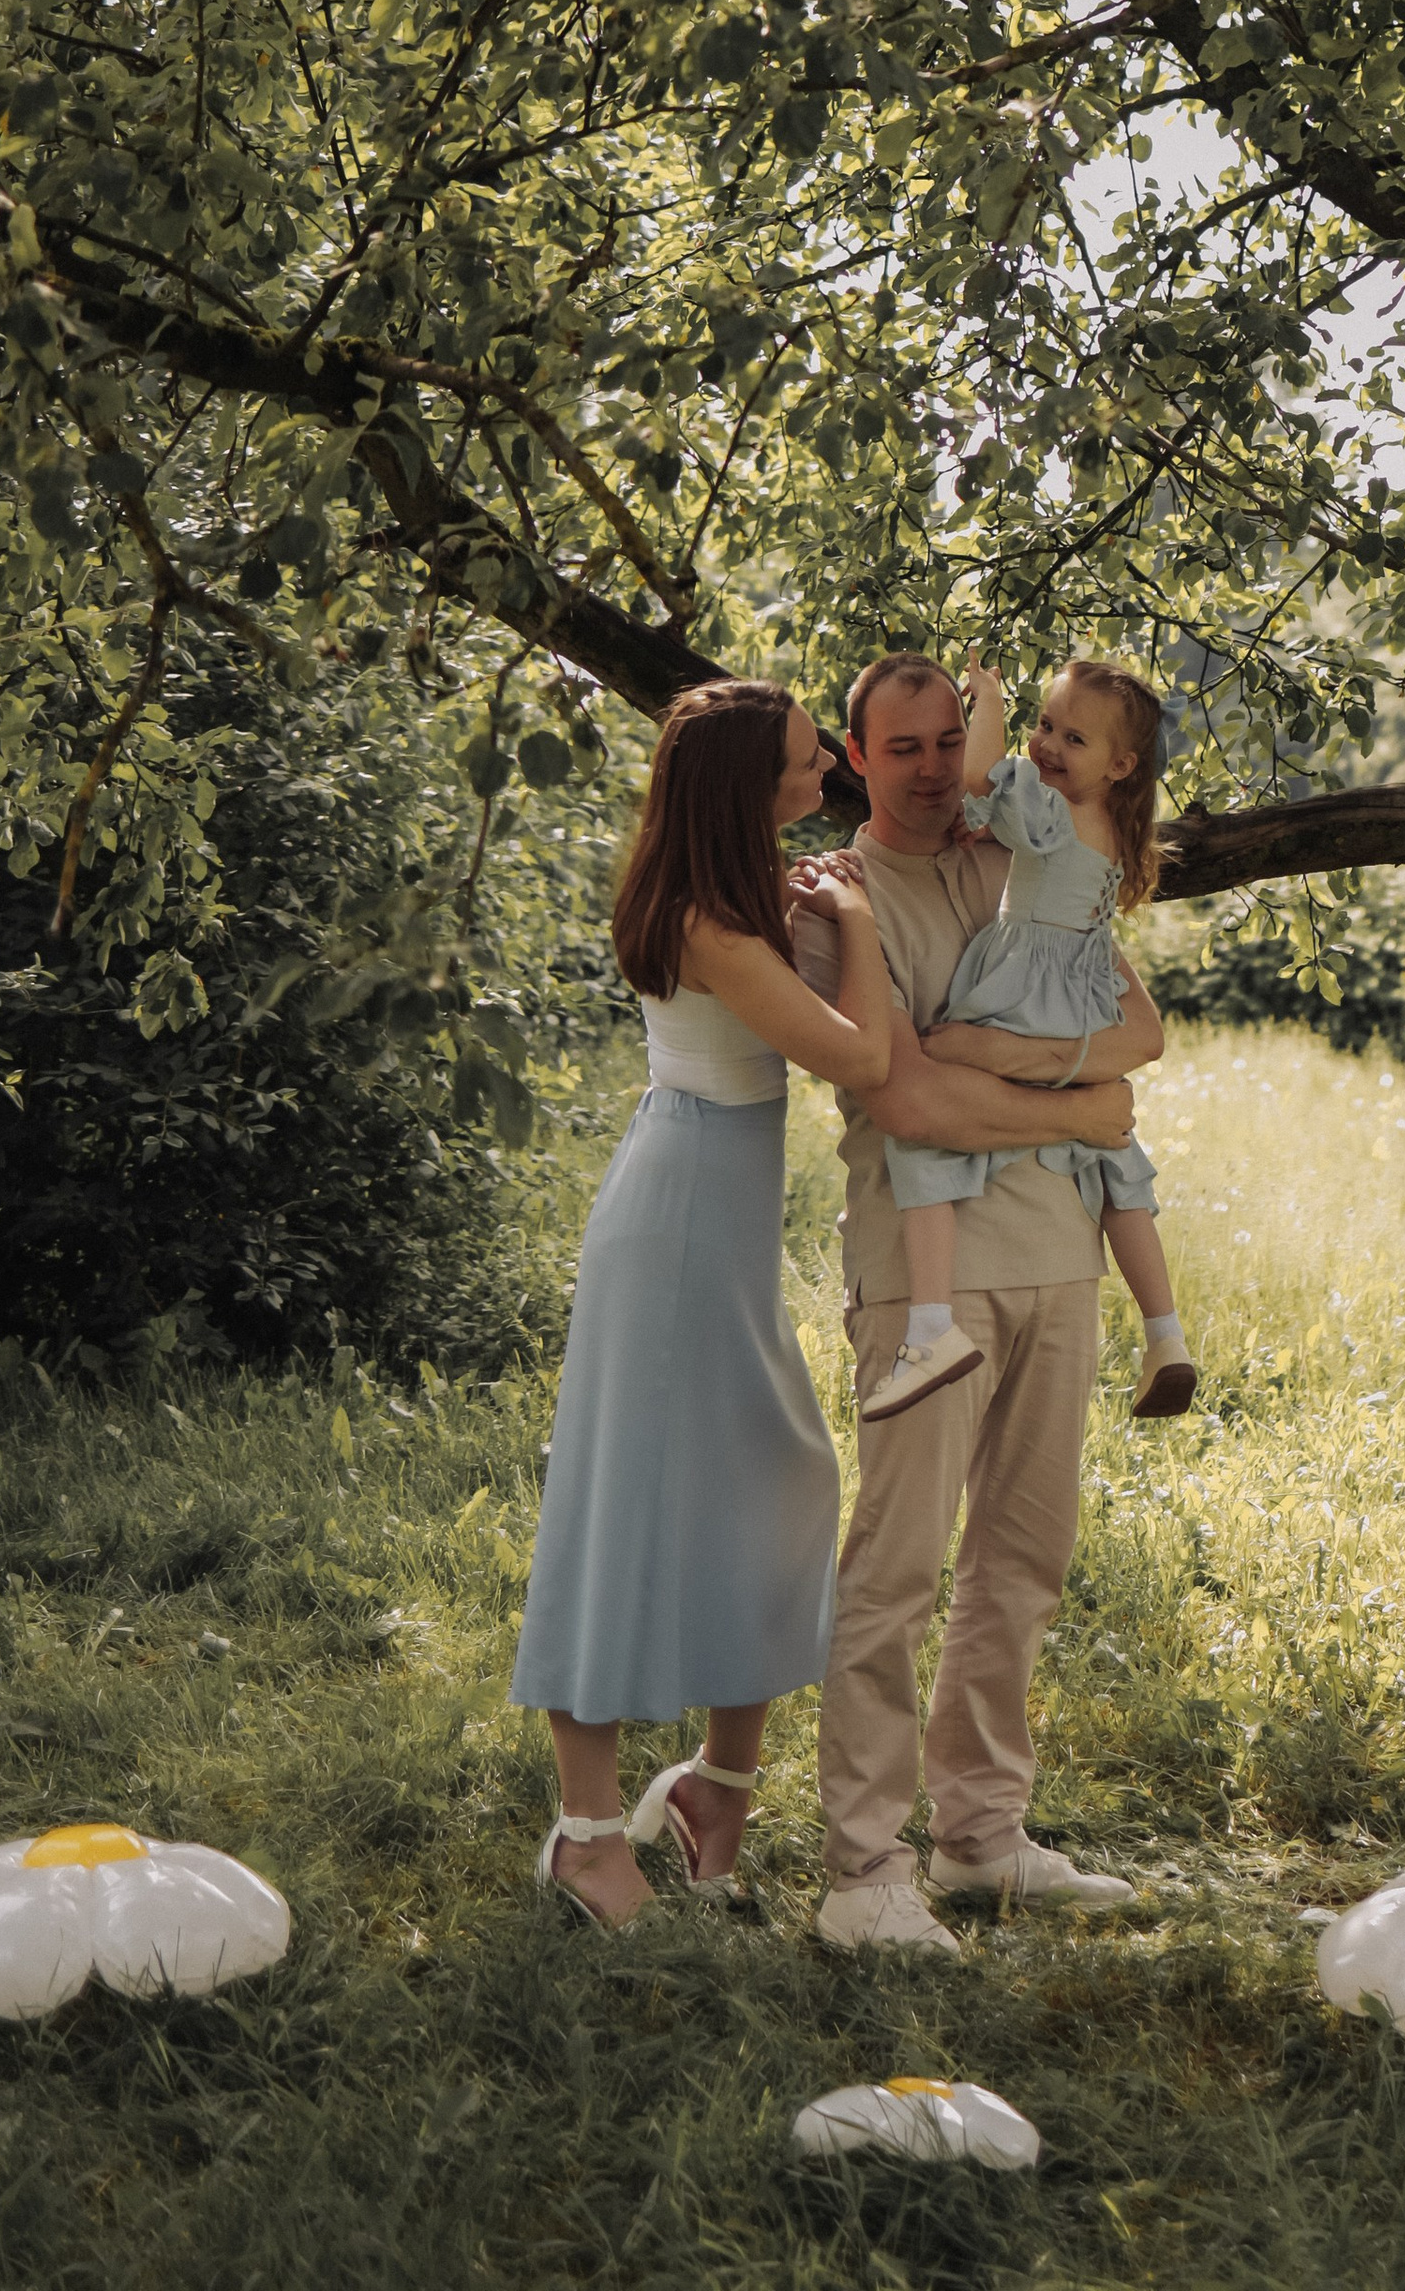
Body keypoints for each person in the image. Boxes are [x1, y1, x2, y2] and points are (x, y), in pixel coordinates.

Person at [791, 649, 1166, 1955]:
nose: (940, 767)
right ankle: (860, 1872)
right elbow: (905, 1099)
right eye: (906, 750)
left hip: (1060, 1257)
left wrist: (1042, 1072)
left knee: (1020, 1564)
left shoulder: (1025, 845)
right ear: (859, 760)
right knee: (895, 1575)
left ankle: (981, 1841)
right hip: (921, 1284)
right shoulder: (838, 899)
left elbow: (1140, 1036)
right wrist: (1073, 1097)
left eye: (953, 738)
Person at [512, 678, 893, 1930]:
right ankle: (584, 1834)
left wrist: (816, 904)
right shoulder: (708, 927)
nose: (824, 768)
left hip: (709, 1221)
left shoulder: (735, 904)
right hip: (673, 1227)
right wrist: (864, 925)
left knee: (777, 1479)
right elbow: (858, 1058)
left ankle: (717, 1791)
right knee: (626, 1511)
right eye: (800, 760)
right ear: (744, 788)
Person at [865, 657, 1193, 1428]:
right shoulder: (1111, 825)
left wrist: (991, 703)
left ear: (1119, 764)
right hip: (1082, 997)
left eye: (1070, 737)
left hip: (1024, 987)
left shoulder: (1047, 814)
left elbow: (981, 773)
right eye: (1045, 725)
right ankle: (1165, 1331)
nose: (1045, 746)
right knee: (1115, 1158)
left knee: (927, 1132)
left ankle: (931, 1328)